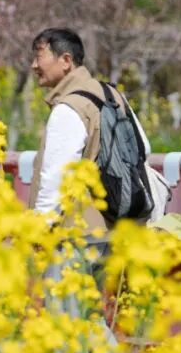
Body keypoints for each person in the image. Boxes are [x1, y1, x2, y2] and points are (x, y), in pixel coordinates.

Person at [27, 27, 157, 229]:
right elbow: (143, 149)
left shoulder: (68, 108)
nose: (34, 65)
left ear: (66, 60)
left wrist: (39, 228)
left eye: (39, 57)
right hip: (122, 226)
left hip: (81, 232)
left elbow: (56, 179)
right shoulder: (113, 93)